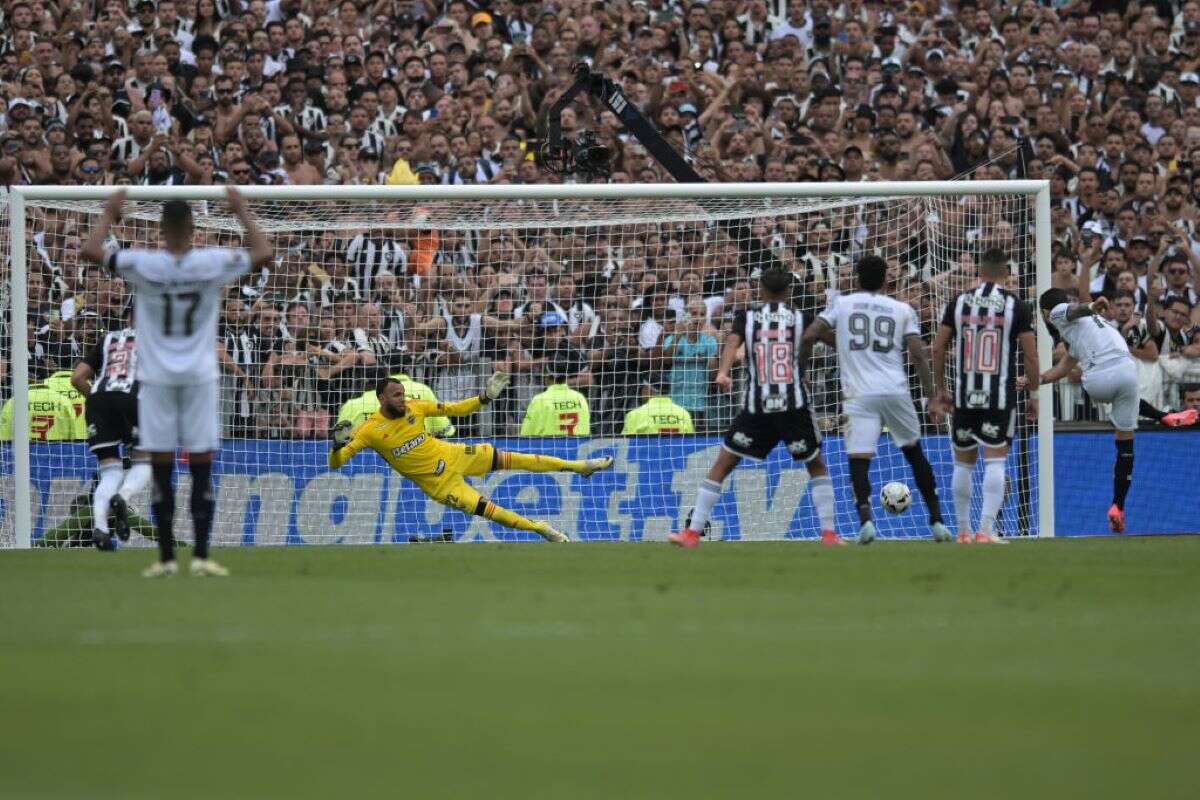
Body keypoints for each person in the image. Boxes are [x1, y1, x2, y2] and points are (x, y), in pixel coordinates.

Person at [81, 187, 272, 577]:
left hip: (155, 380)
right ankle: (201, 556)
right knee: (201, 467)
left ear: (161, 229)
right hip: (200, 377)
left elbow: (90, 250)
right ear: (193, 227)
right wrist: (240, 210)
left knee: (160, 467)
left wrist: (110, 213)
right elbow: (264, 252)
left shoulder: (143, 263)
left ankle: (166, 559)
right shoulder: (211, 261)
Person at [669, 264, 841, 548]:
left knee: (723, 464)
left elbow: (731, 344)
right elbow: (830, 340)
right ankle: (829, 534)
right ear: (789, 292)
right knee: (816, 465)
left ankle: (691, 533)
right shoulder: (803, 319)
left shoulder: (746, 318)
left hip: (756, 406)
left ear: (760, 290)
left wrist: (723, 372)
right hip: (793, 405)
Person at [328, 372, 613, 541]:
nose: (402, 399)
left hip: (454, 454)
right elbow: (337, 464)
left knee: (516, 458)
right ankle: (540, 529)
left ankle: (579, 467)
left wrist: (484, 398)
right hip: (440, 486)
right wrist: (336, 447)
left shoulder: (417, 407)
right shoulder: (369, 430)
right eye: (396, 396)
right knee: (492, 512)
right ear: (382, 399)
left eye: (402, 394)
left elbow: (455, 409)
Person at [802, 254, 952, 545]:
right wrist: (932, 397)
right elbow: (918, 355)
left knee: (860, 457)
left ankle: (866, 521)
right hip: (895, 390)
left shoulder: (842, 304)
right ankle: (936, 521)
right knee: (913, 452)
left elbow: (809, 335)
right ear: (887, 280)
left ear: (856, 279)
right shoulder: (902, 308)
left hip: (859, 393)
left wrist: (806, 366)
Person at [929, 248, 1040, 544]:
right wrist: (1034, 393)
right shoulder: (1016, 305)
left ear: (979, 271)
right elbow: (1030, 354)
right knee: (995, 461)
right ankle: (985, 529)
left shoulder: (959, 301)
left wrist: (940, 390)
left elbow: (937, 348)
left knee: (963, 463)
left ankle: (963, 531)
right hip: (998, 396)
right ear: (1006, 271)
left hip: (965, 396)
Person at [1037, 289, 1141, 533]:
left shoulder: (1058, 313)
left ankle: (1118, 506)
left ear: (1045, 311)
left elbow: (1076, 309)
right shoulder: (1087, 330)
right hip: (1128, 373)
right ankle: (1118, 506)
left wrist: (1093, 304)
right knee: (1125, 444)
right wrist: (1037, 380)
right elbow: (1062, 367)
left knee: (1094, 380)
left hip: (1098, 380)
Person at [70, 324, 153, 550]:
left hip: (98, 400)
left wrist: (96, 398)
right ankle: (123, 497)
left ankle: (101, 528)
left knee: (110, 470)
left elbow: (77, 378)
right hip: (132, 398)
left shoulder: (108, 338)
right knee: (145, 461)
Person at [337, 369, 455, 438]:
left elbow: (339, 438)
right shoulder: (424, 390)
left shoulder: (352, 405)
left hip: (362, 465)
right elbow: (446, 430)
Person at [520, 356, 591, 436]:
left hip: (550, 447)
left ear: (546, 376)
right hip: (577, 447)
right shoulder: (580, 398)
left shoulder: (540, 400)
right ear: (566, 376)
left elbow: (526, 434)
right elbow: (586, 429)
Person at [0, 381, 77, 441]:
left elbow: (4, 437)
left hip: (24, 455)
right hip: (58, 454)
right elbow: (73, 433)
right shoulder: (63, 400)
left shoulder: (12, 402)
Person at [621, 381, 695, 434]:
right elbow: (691, 442)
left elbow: (625, 444)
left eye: (643, 388)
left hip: (646, 455)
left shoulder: (634, 415)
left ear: (648, 390)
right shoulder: (684, 414)